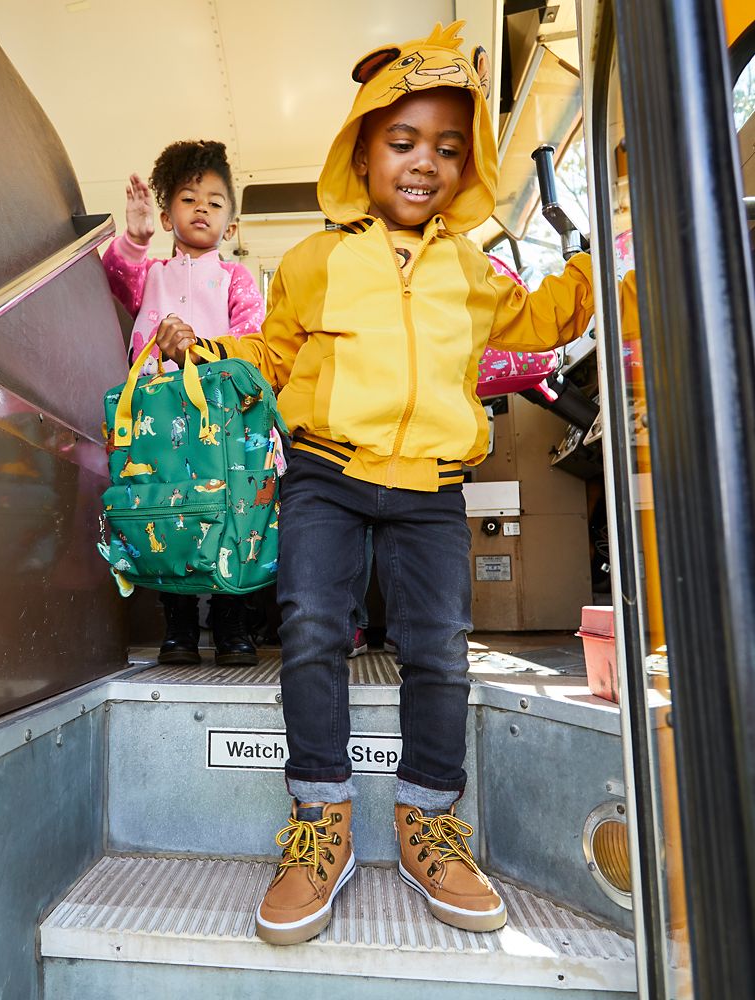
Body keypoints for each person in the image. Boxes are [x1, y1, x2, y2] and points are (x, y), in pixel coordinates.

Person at [157, 21, 596, 944]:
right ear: (361, 153)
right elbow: (272, 357)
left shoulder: (475, 272)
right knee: (312, 628)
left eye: (446, 147)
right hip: (326, 470)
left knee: (439, 643)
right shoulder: (314, 263)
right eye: (402, 142)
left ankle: (430, 816)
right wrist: (202, 348)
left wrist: (606, 271)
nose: (424, 162)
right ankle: (321, 818)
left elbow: (549, 316)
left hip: (433, 484)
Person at [103, 140, 263, 667]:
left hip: (219, 414)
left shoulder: (236, 278)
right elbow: (115, 276)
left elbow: (251, 338)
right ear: (169, 215)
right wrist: (134, 237)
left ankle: (231, 623)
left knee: (228, 508)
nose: (203, 209)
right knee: (166, 508)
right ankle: (178, 627)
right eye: (190, 199)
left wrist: (203, 354)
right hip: (158, 415)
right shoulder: (151, 274)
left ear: (231, 228)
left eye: (216, 203)